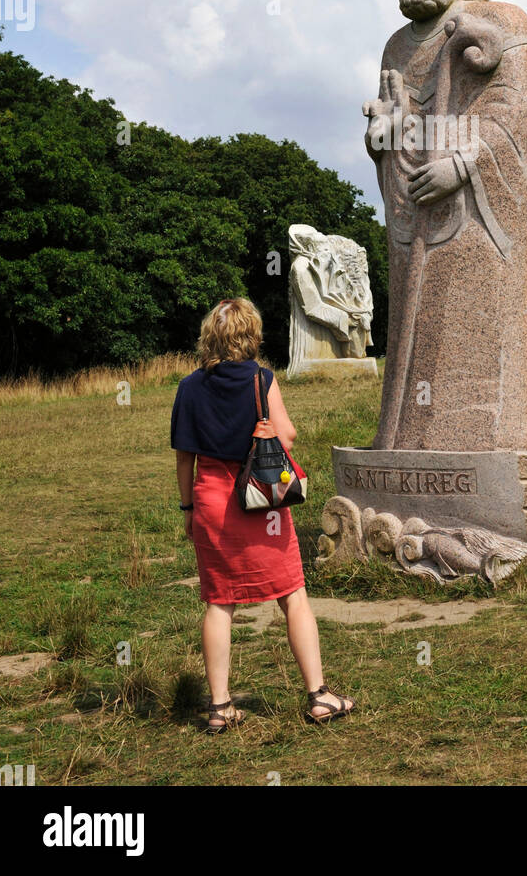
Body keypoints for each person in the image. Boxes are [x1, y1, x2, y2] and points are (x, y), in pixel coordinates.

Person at [171, 297, 355, 731]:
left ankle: (219, 707)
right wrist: (270, 430)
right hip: (261, 503)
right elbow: (286, 437)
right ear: (251, 334)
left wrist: (187, 509)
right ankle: (319, 696)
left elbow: (184, 458)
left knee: (219, 603)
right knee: (292, 594)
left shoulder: (189, 388)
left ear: (209, 336)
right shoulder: (262, 380)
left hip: (213, 503)